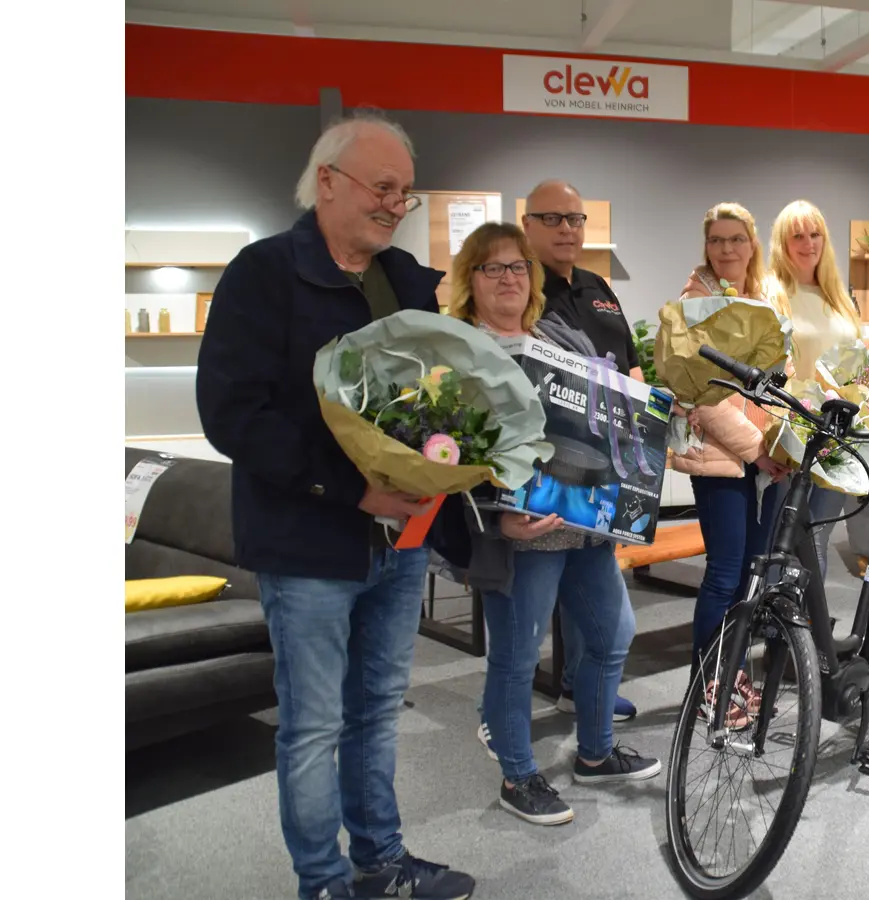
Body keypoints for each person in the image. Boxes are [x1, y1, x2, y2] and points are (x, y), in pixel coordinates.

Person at [195, 113, 477, 900]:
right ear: (327, 182)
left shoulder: (411, 281)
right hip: (306, 545)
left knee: (377, 715)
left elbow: (452, 398)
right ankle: (321, 883)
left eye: (405, 194)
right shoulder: (261, 274)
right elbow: (233, 413)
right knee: (313, 728)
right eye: (382, 188)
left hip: (401, 541)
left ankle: (380, 863)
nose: (395, 205)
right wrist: (352, 488)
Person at [449, 221, 660, 828]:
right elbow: (444, 450)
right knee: (516, 658)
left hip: (586, 522)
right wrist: (495, 519)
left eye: (518, 267)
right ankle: (518, 774)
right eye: (494, 268)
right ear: (471, 280)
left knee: (610, 634)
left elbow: (610, 407)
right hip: (521, 531)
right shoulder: (458, 348)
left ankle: (594, 752)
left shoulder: (556, 333)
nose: (509, 278)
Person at [519, 178, 638, 721]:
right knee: (527, 618)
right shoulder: (520, 286)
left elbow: (630, 367)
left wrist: (647, 415)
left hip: (604, 466)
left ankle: (582, 685)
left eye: (575, 219)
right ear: (528, 224)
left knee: (598, 603)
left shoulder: (598, 288)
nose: (567, 229)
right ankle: (504, 718)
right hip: (545, 473)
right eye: (553, 218)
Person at [669, 202, 791, 725]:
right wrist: (758, 448)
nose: (726, 250)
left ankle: (734, 678)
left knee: (750, 576)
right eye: (717, 240)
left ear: (751, 244)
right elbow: (698, 396)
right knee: (723, 575)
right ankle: (708, 686)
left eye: (736, 239)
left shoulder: (764, 298)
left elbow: (776, 380)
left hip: (766, 462)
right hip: (723, 459)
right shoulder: (691, 306)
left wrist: (783, 444)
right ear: (706, 246)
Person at [758, 199, 863, 579]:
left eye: (815, 233)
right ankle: (776, 629)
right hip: (790, 435)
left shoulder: (839, 297)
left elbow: (855, 364)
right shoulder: (771, 291)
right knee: (781, 538)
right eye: (797, 235)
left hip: (837, 436)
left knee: (816, 537)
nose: (808, 243)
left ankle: (803, 627)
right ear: (782, 243)